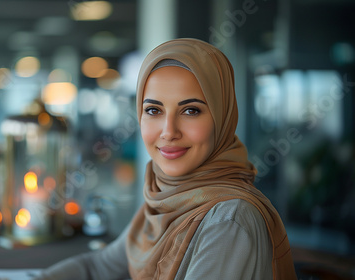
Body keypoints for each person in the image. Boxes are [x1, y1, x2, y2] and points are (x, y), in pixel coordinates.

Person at [35, 38, 297, 280]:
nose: (169, 131)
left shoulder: (229, 219)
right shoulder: (166, 199)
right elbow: (96, 267)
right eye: (153, 110)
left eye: (191, 110)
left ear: (222, 117)